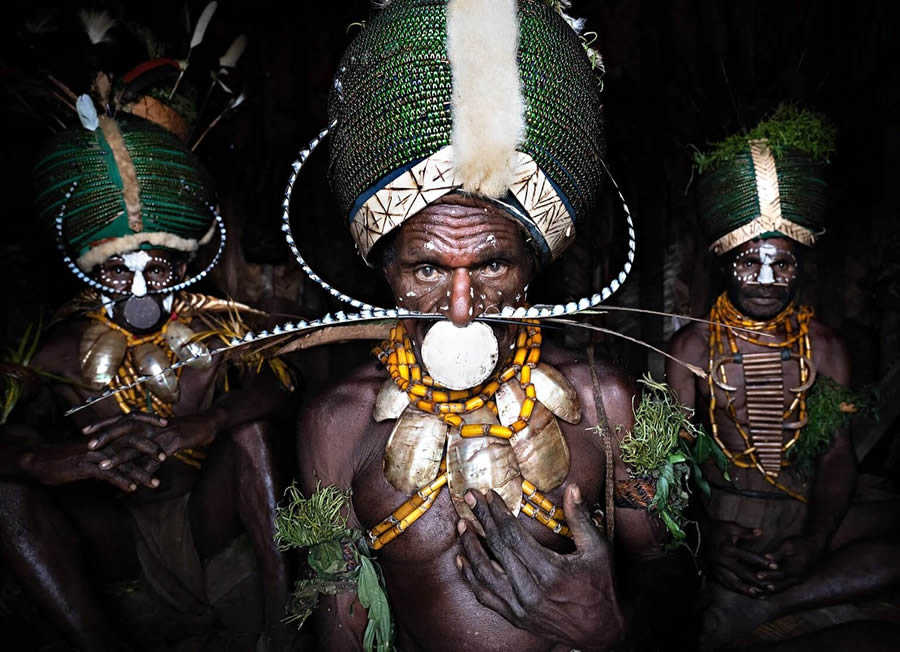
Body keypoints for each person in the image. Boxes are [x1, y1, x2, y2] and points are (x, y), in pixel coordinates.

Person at [283, 1, 686, 650]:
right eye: (428, 268)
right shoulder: (339, 422)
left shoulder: (607, 402)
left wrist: (604, 626)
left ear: (533, 265)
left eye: (492, 263)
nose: (463, 305)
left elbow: (667, 584)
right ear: (386, 272)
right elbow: (342, 618)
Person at [0, 94, 295, 651]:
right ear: (90, 269)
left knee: (249, 430)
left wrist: (210, 421)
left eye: (157, 268)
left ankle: (287, 620)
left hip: (204, 514)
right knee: (10, 497)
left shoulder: (218, 328)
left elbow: (280, 384)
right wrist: (46, 460)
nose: (140, 289)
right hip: (116, 533)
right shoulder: (55, 351)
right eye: (117, 268)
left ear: (183, 266)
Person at [666, 107, 900, 648]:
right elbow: (668, 465)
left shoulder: (824, 347)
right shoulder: (691, 348)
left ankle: (776, 601)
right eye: (751, 262)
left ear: (801, 268)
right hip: (724, 514)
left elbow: (838, 456)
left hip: (801, 511)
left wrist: (817, 538)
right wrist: (704, 536)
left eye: (783, 264)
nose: (767, 280)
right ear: (725, 263)